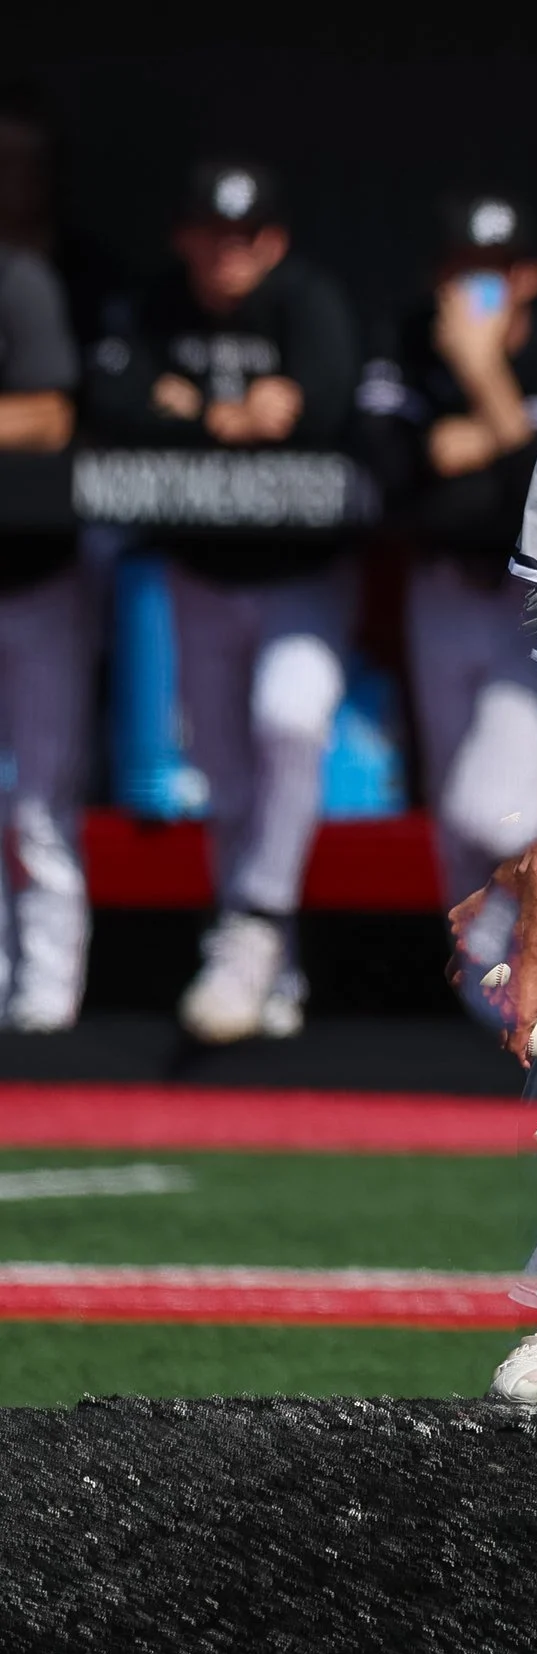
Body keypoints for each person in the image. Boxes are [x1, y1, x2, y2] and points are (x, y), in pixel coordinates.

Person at [84, 160, 360, 1044]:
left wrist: (194, 403)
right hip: (199, 576)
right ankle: (262, 957)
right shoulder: (158, 304)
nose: (224, 254)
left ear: (271, 241)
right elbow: (114, 398)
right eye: (210, 236)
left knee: (290, 718)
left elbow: (329, 405)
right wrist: (218, 415)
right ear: (184, 237)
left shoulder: (308, 301)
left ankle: (259, 923)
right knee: (226, 774)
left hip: (302, 577)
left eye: (242, 238)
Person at [360, 193, 537, 908]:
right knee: (450, 804)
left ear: (526, 277)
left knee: (486, 796)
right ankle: (489, 984)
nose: (474, 290)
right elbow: (386, 468)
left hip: (535, 602)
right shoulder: (403, 339)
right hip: (440, 584)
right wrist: (497, 433)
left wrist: (484, 384)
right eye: (462, 271)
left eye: (492, 273)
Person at [0, 230, 84, 1031]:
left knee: (39, 802)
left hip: (34, 581)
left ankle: (45, 998)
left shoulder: (17, 279)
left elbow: (49, 413)